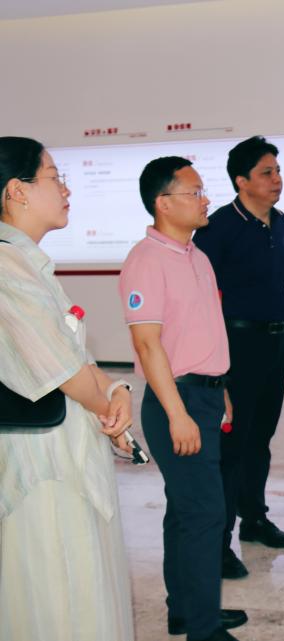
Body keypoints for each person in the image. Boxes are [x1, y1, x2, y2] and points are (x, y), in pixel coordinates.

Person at [0, 136, 135, 641]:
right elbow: (63, 371)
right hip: (43, 467)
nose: (66, 189)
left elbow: (78, 357)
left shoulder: (29, 264)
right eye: (55, 177)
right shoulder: (6, 268)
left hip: (65, 454)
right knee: (59, 597)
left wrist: (117, 390)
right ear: (17, 191)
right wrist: (111, 405)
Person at [120, 156, 247, 641]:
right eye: (194, 192)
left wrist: (222, 387)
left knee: (186, 509)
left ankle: (187, 610)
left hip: (206, 395)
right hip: (177, 400)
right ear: (164, 203)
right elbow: (147, 345)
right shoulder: (146, 261)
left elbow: (202, 331)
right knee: (204, 513)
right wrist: (178, 414)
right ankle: (203, 628)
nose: (205, 199)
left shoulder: (197, 256)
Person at [194, 136, 284, 581]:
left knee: (261, 437)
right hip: (237, 345)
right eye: (266, 173)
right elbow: (203, 299)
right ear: (241, 181)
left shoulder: (281, 222)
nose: (277, 179)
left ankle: (254, 519)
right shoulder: (217, 228)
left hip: (277, 341)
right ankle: (218, 543)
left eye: (278, 171)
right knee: (232, 445)